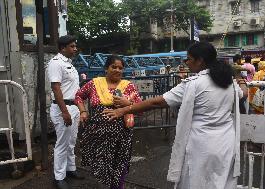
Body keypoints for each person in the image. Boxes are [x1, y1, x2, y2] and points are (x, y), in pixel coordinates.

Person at [104, 42, 247, 189]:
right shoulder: (230, 83)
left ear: (200, 61)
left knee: (195, 182)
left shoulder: (194, 84)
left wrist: (123, 110)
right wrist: (240, 77)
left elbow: (156, 103)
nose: (186, 62)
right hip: (225, 143)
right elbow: (244, 93)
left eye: (189, 59)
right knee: (221, 181)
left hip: (200, 145)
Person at [74, 55, 141, 189]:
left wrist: (127, 103)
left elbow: (140, 108)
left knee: (120, 164)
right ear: (106, 68)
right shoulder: (94, 84)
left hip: (122, 135)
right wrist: (83, 111)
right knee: (102, 165)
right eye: (113, 67)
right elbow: (78, 96)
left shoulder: (128, 87)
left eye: (120, 68)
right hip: (98, 136)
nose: (117, 70)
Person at [47, 35, 84, 189]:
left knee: (71, 141)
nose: (75, 49)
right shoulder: (56, 63)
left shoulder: (69, 63)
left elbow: (70, 87)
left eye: (75, 46)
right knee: (62, 144)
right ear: (63, 48)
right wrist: (64, 112)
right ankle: (59, 177)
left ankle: (70, 169)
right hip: (63, 108)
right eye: (72, 46)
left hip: (73, 107)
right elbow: (56, 89)